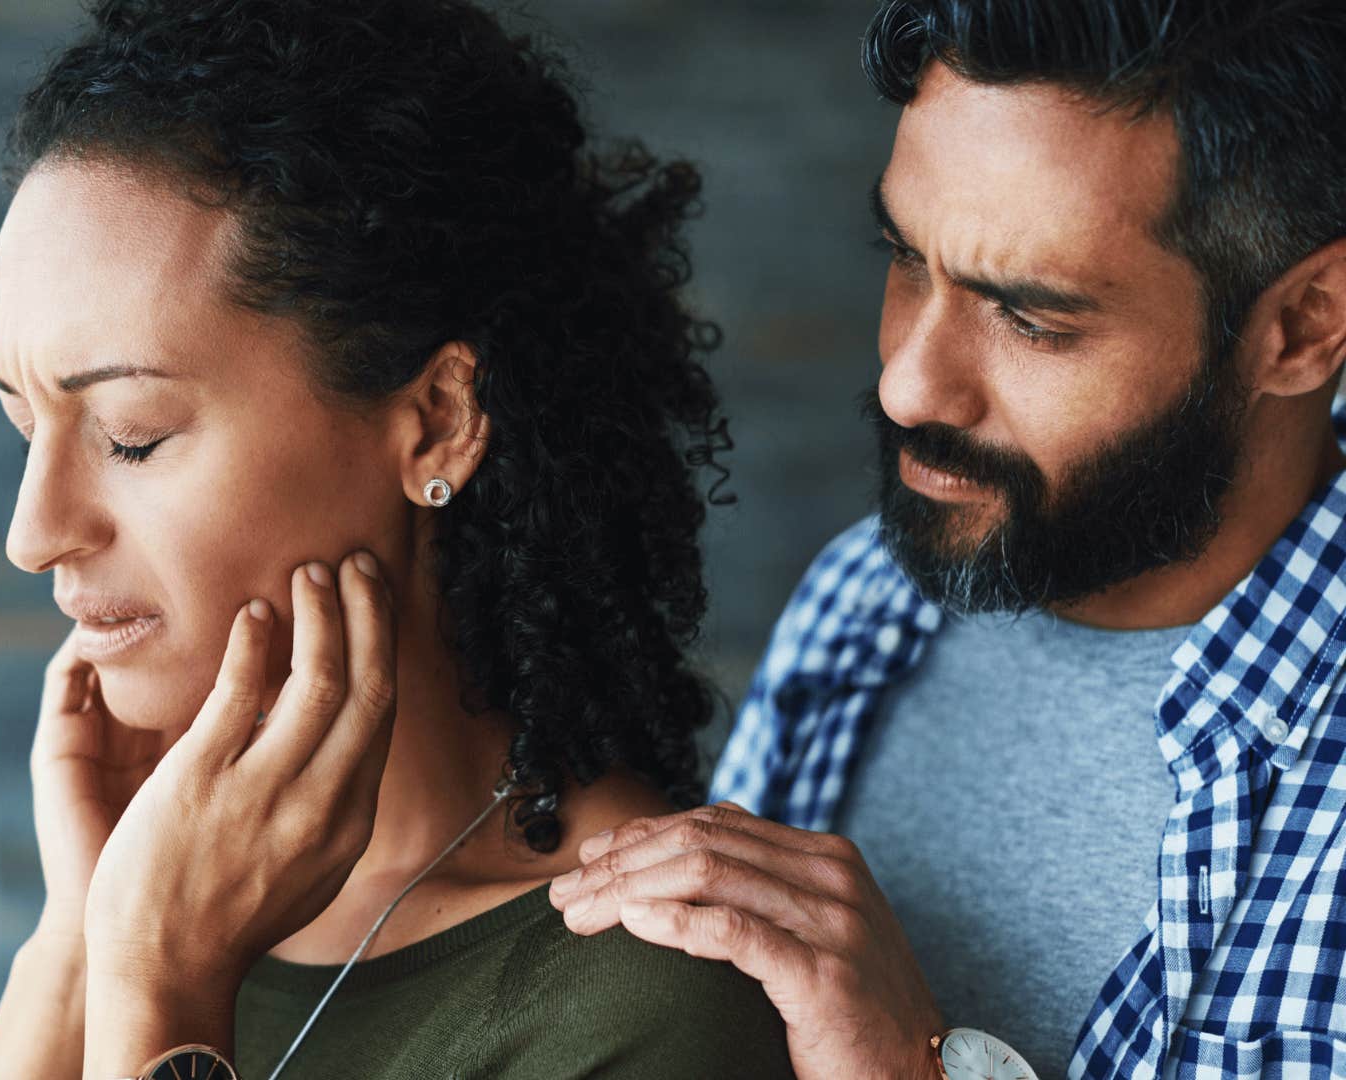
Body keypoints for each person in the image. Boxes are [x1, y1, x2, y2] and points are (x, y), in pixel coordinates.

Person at [0, 1, 794, 1077]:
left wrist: (162, 987)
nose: (33, 533)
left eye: (131, 436)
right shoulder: (154, 902)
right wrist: (77, 940)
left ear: (435, 419)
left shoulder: (643, 999)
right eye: (24, 424)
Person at [547, 1, 1346, 1078]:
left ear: (1304, 326)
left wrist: (907, 1065)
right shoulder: (865, 598)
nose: (909, 382)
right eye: (906, 259)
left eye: (1032, 318)